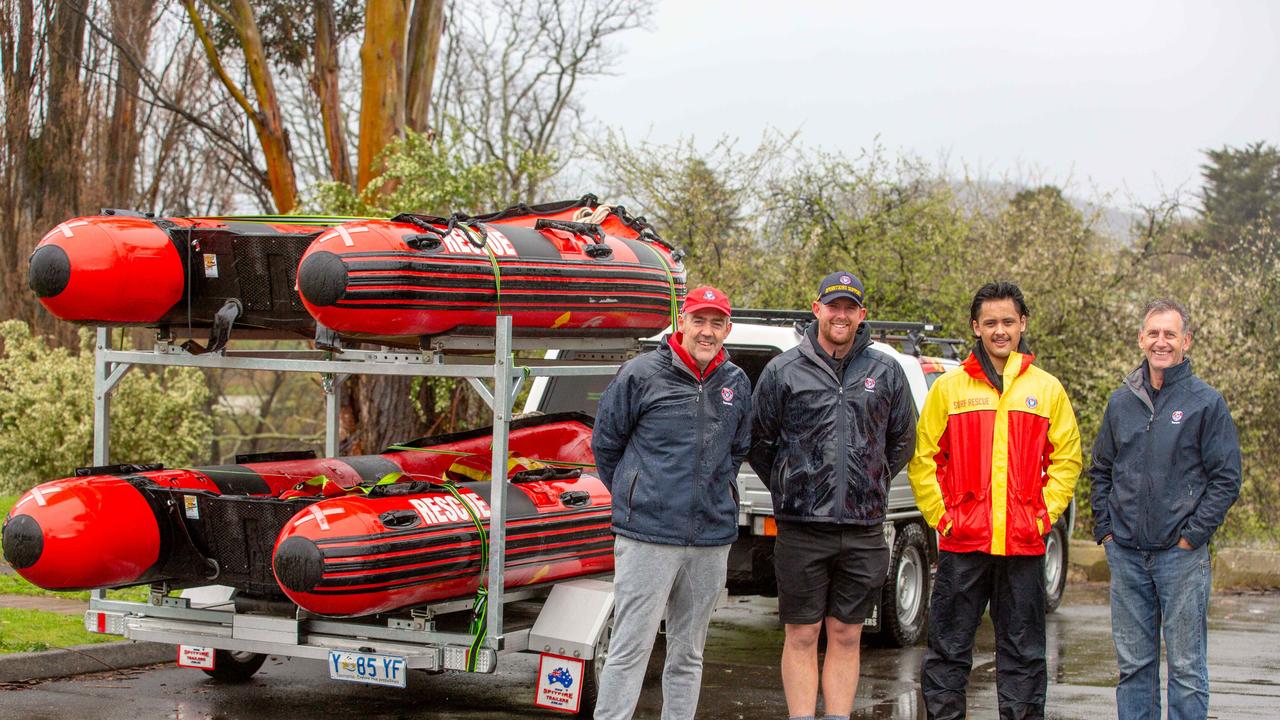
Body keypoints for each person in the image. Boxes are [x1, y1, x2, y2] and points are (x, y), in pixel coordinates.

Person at [908, 281, 1081, 720]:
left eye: (1008, 321)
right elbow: (924, 457)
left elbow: (1068, 459)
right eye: (990, 323)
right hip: (963, 543)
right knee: (947, 652)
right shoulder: (948, 389)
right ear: (975, 327)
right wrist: (942, 518)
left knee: (1024, 657)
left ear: (1022, 323)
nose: (999, 330)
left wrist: (1041, 517)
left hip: (1022, 545)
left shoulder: (1047, 390)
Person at [749, 271, 917, 720]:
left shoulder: (885, 371)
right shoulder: (783, 370)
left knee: (846, 633)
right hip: (802, 529)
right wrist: (793, 485)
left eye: (850, 307)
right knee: (801, 634)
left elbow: (903, 440)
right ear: (816, 307)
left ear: (862, 315)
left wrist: (870, 480)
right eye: (833, 305)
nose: (840, 314)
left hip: (863, 529)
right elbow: (760, 442)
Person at [590, 285, 753, 720]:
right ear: (682, 321)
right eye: (699, 320)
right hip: (647, 537)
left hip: (710, 540)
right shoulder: (641, 374)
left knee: (689, 654)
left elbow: (737, 450)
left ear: (727, 329)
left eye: (716, 323)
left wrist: (718, 493)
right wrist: (638, 491)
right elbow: (607, 445)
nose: (707, 331)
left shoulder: (736, 383)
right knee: (629, 650)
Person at [1089, 298, 1241, 720]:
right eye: (1153, 333)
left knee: (1187, 669)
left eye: (1169, 334)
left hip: (1181, 559)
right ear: (1141, 338)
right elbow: (1100, 469)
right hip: (1128, 557)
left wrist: (1192, 536)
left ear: (1186, 340)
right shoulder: (1121, 402)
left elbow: (1227, 478)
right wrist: (1106, 529)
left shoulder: (1206, 402)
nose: (1161, 342)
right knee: (1134, 668)